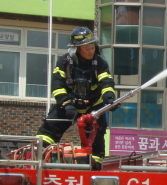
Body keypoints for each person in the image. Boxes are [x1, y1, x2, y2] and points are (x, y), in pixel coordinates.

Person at [35, 27, 116, 171]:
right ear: (77, 49)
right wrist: (66, 104)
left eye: (92, 47)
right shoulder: (64, 63)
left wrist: (109, 97)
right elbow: (57, 86)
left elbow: (106, 82)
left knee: (97, 138)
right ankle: (37, 157)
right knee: (49, 130)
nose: (91, 51)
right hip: (68, 105)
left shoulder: (100, 63)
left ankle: (94, 166)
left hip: (93, 107)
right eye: (87, 48)